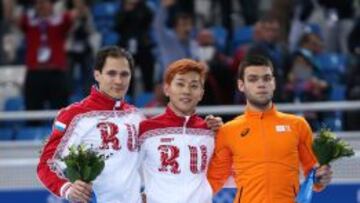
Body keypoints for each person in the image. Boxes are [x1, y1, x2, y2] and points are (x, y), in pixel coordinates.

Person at [207, 55, 333, 203]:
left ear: (273, 83)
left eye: (266, 78)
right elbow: (213, 181)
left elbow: (314, 173)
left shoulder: (297, 125)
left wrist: (322, 177)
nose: (261, 84)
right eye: (253, 79)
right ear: (241, 85)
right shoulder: (228, 131)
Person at [37, 46, 145, 203]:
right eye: (111, 73)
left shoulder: (137, 117)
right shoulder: (75, 115)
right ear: (97, 74)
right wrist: (67, 189)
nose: (118, 81)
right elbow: (46, 164)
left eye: (124, 74)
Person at [138, 59, 221, 203]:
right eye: (180, 84)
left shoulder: (211, 130)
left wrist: (220, 132)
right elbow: (126, 170)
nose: (186, 91)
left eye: (194, 86)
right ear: (167, 89)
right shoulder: (146, 129)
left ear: (201, 93)